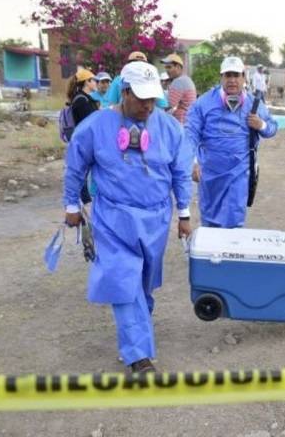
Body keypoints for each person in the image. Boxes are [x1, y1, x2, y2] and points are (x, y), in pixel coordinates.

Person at [63, 61, 193, 373]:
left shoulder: (170, 128)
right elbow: (75, 166)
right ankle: (138, 356)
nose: (148, 106)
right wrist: (71, 206)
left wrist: (184, 213)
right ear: (124, 92)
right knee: (123, 280)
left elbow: (181, 173)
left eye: (153, 99)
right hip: (113, 219)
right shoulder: (95, 126)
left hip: (156, 218)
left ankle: (139, 323)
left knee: (144, 282)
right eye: (141, 98)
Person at [185, 56, 278, 228]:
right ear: (221, 77)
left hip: (239, 174)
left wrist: (261, 125)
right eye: (228, 75)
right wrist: (192, 161)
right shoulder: (204, 103)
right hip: (210, 174)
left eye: (236, 75)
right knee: (210, 220)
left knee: (234, 221)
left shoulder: (254, 104)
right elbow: (190, 134)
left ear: (244, 77)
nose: (232, 80)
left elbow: (273, 127)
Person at [66, 68, 99, 204]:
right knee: (82, 171)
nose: (96, 83)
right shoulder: (81, 100)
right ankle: (84, 200)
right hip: (84, 141)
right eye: (94, 80)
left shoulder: (84, 99)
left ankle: (85, 198)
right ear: (87, 82)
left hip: (86, 140)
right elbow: (88, 122)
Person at [161, 53, 197, 124]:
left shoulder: (178, 81)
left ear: (178, 67)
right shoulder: (187, 79)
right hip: (190, 119)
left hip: (182, 121)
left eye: (169, 67)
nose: (167, 70)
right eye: (166, 67)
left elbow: (168, 105)